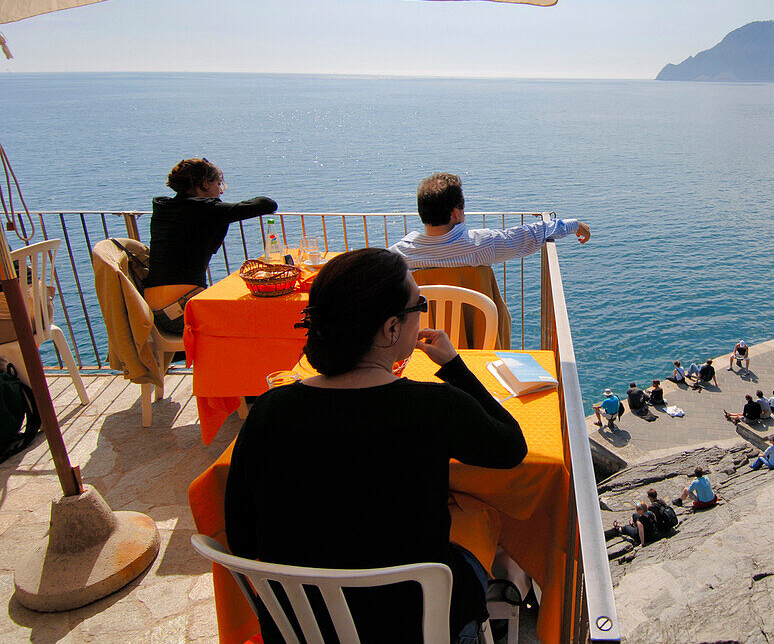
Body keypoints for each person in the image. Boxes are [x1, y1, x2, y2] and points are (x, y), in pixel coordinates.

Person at [224, 248, 526, 643]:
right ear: (391, 329)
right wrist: (454, 366)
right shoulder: (435, 407)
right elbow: (511, 446)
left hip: (304, 627)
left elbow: (242, 537)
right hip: (415, 624)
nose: (423, 311)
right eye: (419, 304)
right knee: (476, 552)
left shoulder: (269, 409)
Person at [144, 158, 277, 334]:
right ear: (205, 183)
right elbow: (267, 204)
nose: (220, 191)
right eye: (218, 183)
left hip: (151, 310)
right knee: (258, 317)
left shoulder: (164, 207)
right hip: (179, 312)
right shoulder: (206, 209)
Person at [388, 173, 591, 270]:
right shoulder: (481, 245)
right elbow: (530, 234)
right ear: (456, 214)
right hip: (478, 339)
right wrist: (574, 225)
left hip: (420, 341)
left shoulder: (397, 256)